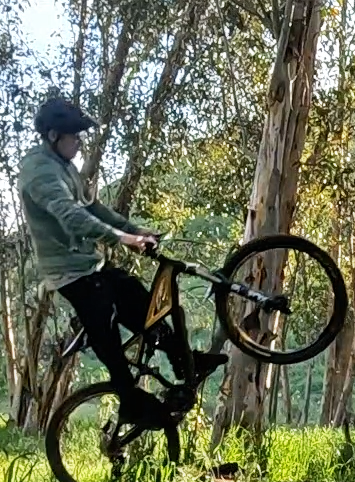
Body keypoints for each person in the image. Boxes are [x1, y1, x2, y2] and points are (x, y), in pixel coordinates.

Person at [18, 95, 222, 424]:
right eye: (74, 136)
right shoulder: (39, 171)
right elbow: (70, 215)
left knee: (144, 306)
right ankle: (131, 403)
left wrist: (134, 230)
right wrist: (122, 239)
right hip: (69, 273)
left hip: (90, 264)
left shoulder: (64, 166)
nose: (79, 142)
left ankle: (186, 362)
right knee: (106, 330)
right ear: (55, 136)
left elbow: (91, 207)